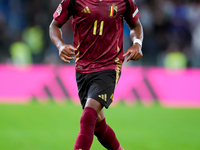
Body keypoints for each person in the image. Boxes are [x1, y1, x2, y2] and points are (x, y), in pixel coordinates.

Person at [49, 0, 143, 149]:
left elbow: (136, 25)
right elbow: (54, 26)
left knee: (88, 115)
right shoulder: (72, 1)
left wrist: (137, 43)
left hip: (110, 65)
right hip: (82, 68)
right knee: (99, 127)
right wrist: (60, 45)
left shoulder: (125, 2)